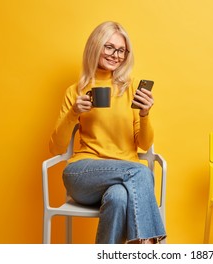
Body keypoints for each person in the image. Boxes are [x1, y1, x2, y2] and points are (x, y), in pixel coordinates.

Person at [49, 21, 166, 244]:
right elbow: (55, 148)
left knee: (119, 198)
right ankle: (149, 246)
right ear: (95, 46)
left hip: (123, 179)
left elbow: (143, 144)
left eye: (121, 50)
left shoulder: (131, 88)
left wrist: (145, 114)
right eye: (109, 47)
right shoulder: (76, 91)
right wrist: (74, 113)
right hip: (82, 174)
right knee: (142, 173)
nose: (116, 55)